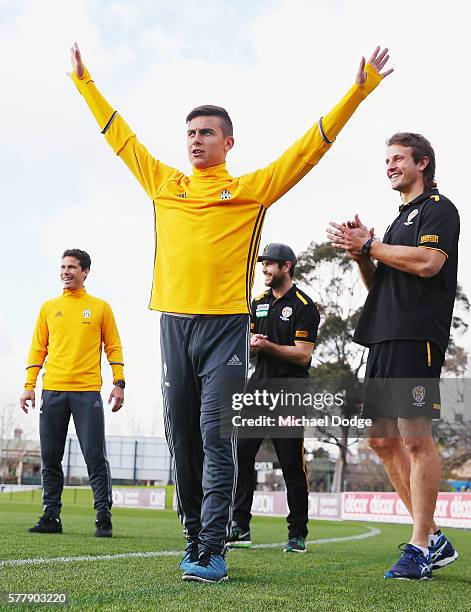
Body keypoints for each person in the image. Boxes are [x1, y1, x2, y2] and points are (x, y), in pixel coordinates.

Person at [69, 42, 393, 583]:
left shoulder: (252, 192)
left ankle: (213, 548)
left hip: (225, 330)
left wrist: (359, 89)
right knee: (186, 442)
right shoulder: (163, 184)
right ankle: (194, 535)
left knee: (217, 435)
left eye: (207, 133)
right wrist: (85, 82)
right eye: (191, 133)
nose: (196, 140)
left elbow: (308, 150)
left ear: (228, 142)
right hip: (173, 326)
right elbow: (119, 137)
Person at [326, 132, 459, 580]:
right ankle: (435, 537)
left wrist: (371, 247)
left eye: (398, 158)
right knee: (381, 441)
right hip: (384, 338)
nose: (390, 166)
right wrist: (359, 254)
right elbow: (378, 285)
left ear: (422, 162)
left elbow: (428, 263)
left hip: (417, 339)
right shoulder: (398, 220)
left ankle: (419, 546)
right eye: (386, 160)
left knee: (416, 438)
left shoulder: (440, 208)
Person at [20, 249, 125, 538]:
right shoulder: (48, 307)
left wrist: (119, 381)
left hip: (86, 392)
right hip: (52, 390)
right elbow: (37, 348)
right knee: (50, 457)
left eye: (72, 267)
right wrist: (29, 385)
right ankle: (51, 516)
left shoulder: (100, 307)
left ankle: (103, 517)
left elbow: (113, 347)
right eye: (63, 267)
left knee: (94, 456)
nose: (66, 271)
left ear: (85, 272)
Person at [227, 243, 319, 553]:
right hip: (257, 387)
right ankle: (240, 527)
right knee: (242, 454)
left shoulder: (305, 305)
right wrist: (249, 345)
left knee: (291, 462)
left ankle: (297, 533)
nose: (264, 269)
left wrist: (268, 347)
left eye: (270, 264)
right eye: (262, 264)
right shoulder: (257, 303)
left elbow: (303, 356)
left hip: (290, 391)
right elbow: (246, 342)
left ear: (287, 266)